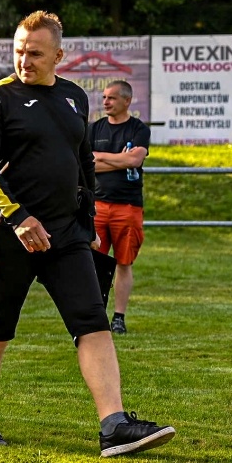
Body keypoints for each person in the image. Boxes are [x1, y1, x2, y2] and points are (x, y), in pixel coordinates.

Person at [0, 11, 175, 457]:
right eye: (19, 50)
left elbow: (83, 166)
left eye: (35, 53)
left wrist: (87, 222)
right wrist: (19, 217)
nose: (25, 59)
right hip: (10, 231)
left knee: (92, 324)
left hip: (67, 236)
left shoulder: (75, 98)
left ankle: (113, 425)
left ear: (58, 55)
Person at [88, 80, 150, 335]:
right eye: (104, 97)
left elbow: (136, 158)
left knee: (124, 263)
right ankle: (95, 316)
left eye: (112, 98)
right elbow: (87, 163)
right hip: (97, 205)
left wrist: (103, 157)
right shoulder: (94, 129)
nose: (106, 102)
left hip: (128, 206)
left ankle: (119, 318)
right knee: (94, 263)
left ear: (127, 100)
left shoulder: (138, 129)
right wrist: (122, 162)